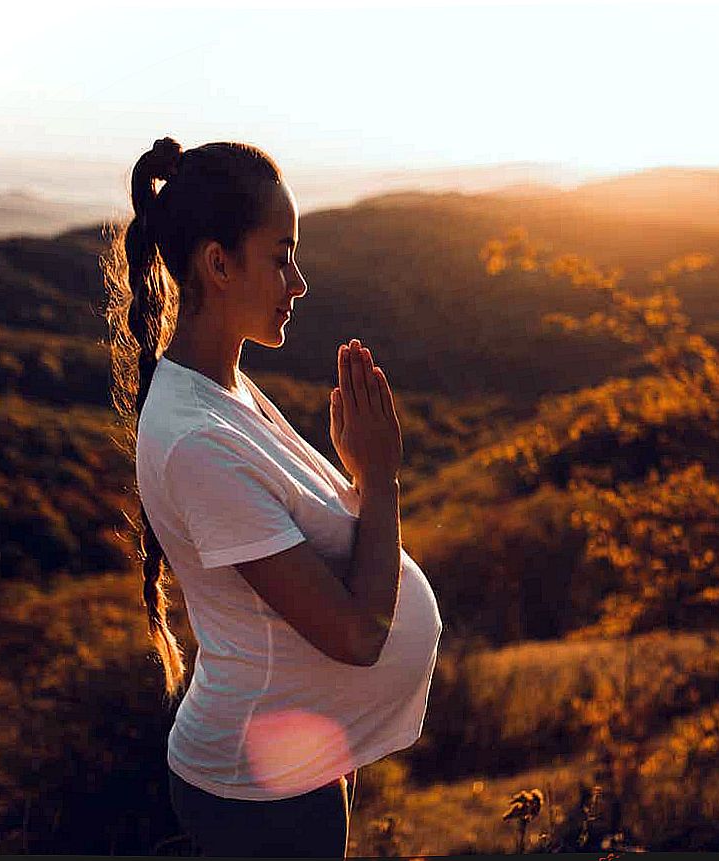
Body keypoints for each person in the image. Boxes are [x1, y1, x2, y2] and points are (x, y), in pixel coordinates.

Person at [103, 136, 443, 857]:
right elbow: (356, 636)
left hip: (294, 759)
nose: (300, 281)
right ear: (218, 265)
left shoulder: (223, 389)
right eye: (282, 256)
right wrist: (380, 478)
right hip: (256, 794)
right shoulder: (198, 439)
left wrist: (356, 474)